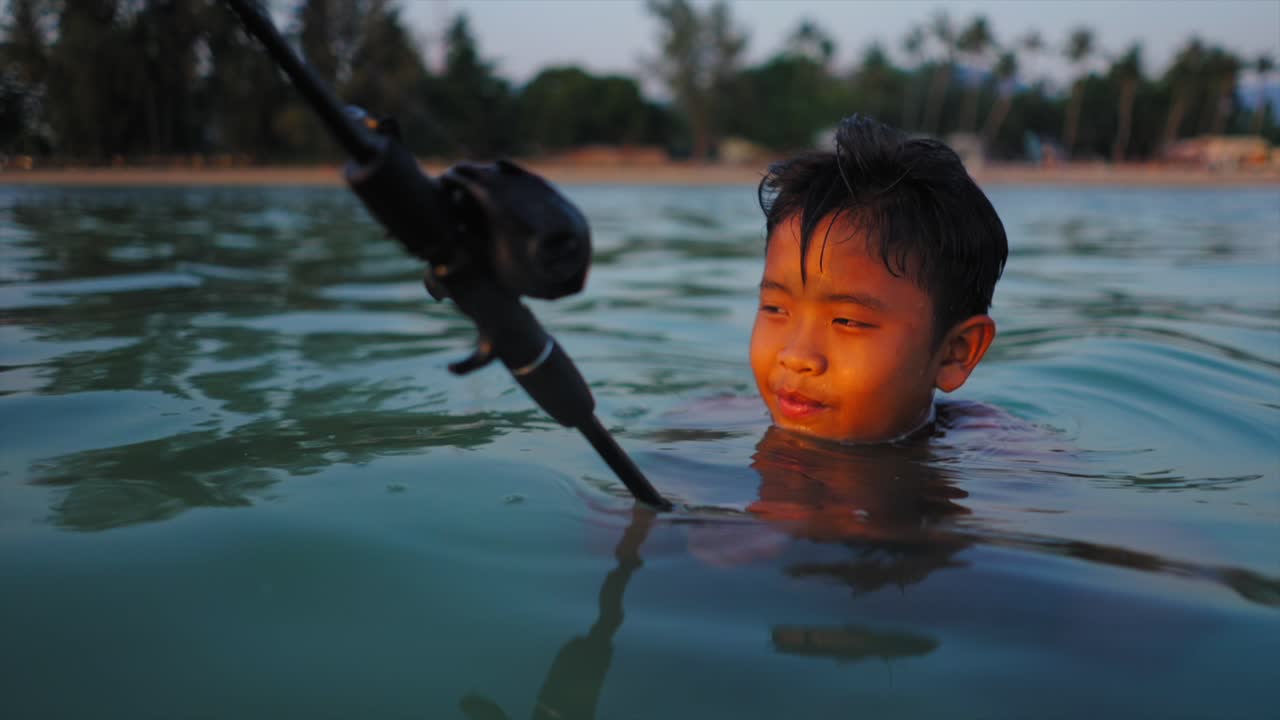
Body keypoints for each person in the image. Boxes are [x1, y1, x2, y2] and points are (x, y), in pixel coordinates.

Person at [750, 114, 1008, 444]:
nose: (796, 356)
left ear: (954, 353)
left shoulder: (1010, 465)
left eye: (846, 320)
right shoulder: (715, 421)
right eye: (774, 309)